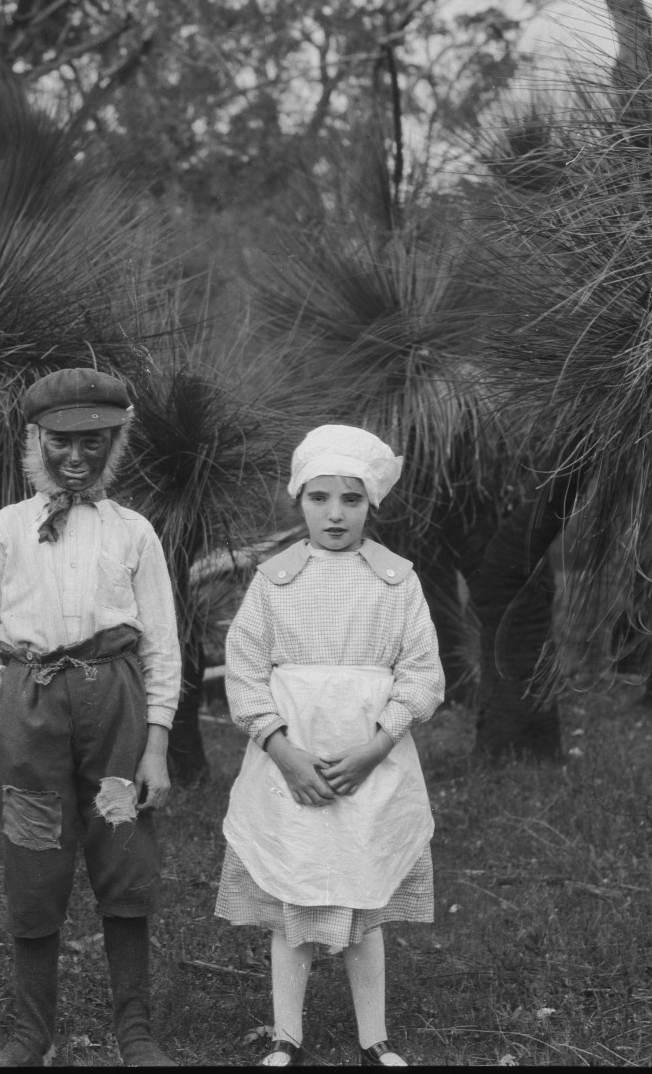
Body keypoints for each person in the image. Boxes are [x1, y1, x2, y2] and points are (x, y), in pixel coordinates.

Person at [0, 368, 182, 1067]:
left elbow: (161, 643)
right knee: (33, 856)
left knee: (124, 852)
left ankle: (135, 1032)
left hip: (115, 705)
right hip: (32, 706)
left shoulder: (132, 532)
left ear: (115, 443)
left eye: (93, 441)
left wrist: (156, 745)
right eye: (61, 442)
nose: (76, 456)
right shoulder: (5, 529)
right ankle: (29, 1035)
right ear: (36, 440)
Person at [217, 425, 442, 1067]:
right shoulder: (275, 580)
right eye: (319, 498)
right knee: (295, 892)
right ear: (300, 500)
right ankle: (286, 1034)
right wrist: (281, 751)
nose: (335, 514)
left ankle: (375, 1036)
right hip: (290, 765)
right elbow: (245, 670)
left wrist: (376, 748)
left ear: (371, 504)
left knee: (362, 896)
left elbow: (422, 673)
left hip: (369, 765)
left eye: (351, 499)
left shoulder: (397, 582)